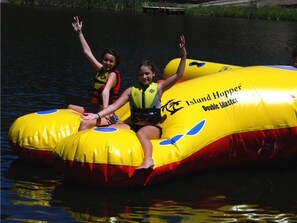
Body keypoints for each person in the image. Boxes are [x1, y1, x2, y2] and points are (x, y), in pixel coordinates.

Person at [81, 35, 187, 169]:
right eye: (141, 74)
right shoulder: (131, 91)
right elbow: (114, 106)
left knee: (141, 134)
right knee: (108, 129)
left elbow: (179, 75)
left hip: (152, 127)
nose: (144, 77)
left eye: (147, 74)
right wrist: (97, 116)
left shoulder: (159, 88)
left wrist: (183, 55)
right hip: (133, 125)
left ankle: (148, 160)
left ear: (153, 74)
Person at [68, 16, 121, 126]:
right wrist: (79, 32)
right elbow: (87, 53)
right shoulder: (102, 70)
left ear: (115, 63)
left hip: (108, 115)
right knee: (70, 107)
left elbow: (106, 91)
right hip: (97, 110)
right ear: (102, 60)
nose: (108, 63)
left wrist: (104, 113)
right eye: (105, 60)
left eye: (111, 61)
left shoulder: (112, 75)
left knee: (84, 122)